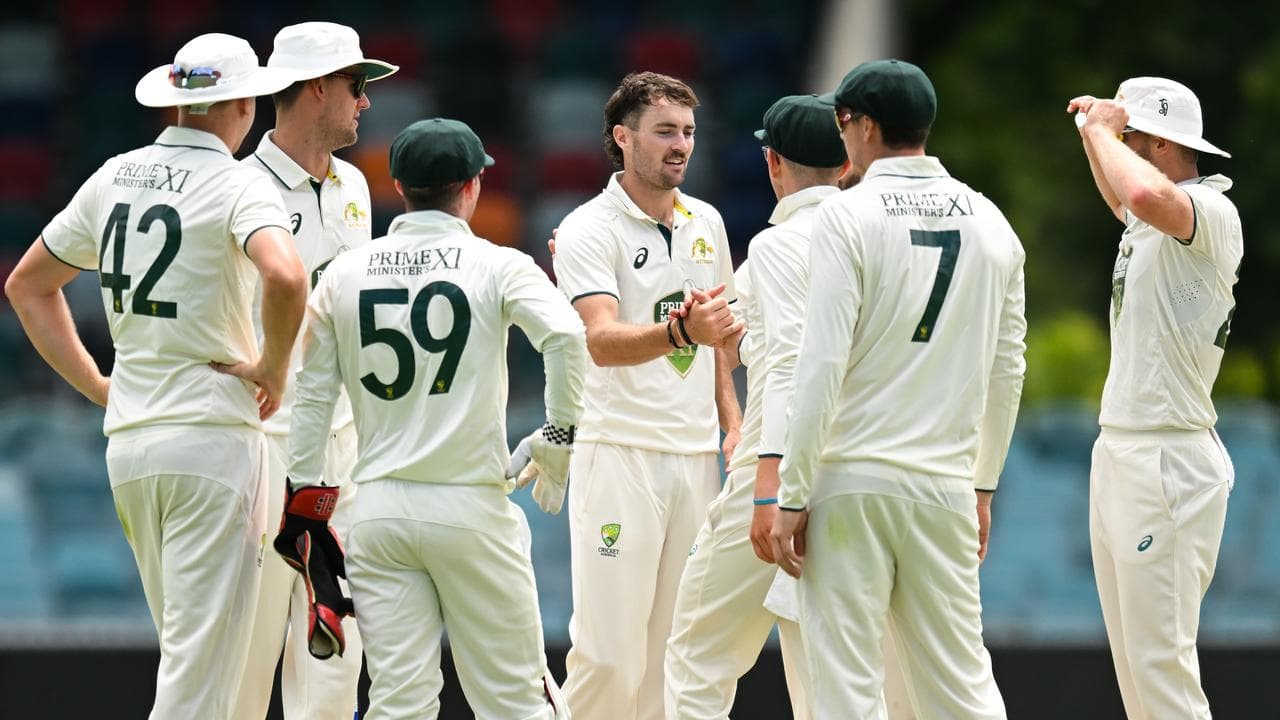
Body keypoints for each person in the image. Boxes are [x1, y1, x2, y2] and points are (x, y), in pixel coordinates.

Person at [3, 34, 306, 718]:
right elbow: (287, 277)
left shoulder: (115, 174)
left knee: (192, 663)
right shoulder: (240, 183)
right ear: (244, 103)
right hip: (211, 441)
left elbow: (28, 285)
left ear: (178, 102)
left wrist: (97, 385)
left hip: (132, 446)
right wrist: (273, 368)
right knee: (199, 681)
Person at [285, 117, 584, 719]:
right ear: (472, 187)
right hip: (469, 505)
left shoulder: (344, 273)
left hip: (379, 512)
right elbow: (567, 337)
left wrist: (305, 506)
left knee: (399, 703)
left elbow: (312, 396)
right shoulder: (498, 263)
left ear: (397, 185)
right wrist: (557, 436)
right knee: (515, 702)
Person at [769, 59, 1026, 719]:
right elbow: (1007, 370)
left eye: (843, 120)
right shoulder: (994, 223)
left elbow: (820, 363)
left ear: (863, 125)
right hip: (944, 486)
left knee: (848, 693)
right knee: (964, 693)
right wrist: (983, 486)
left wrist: (791, 492)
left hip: (852, 483)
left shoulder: (845, 216)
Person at [551, 70, 743, 720]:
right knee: (609, 657)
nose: (680, 145)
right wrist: (682, 331)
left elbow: (720, 339)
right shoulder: (587, 227)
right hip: (619, 453)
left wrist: (731, 420)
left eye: (687, 131)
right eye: (664, 131)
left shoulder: (706, 221)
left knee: (672, 658)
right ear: (623, 137)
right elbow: (601, 340)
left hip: (694, 459)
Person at [663, 93, 847, 719]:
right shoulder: (876, 235)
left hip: (776, 468)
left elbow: (790, 364)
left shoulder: (777, 244)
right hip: (855, 466)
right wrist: (725, 328)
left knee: (697, 654)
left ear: (773, 162)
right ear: (846, 162)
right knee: (827, 668)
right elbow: (760, 339)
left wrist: (770, 487)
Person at [233, 22, 398, 720]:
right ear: (320, 88)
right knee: (243, 658)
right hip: (262, 440)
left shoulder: (355, 184)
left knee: (334, 656)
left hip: (341, 444)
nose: (366, 102)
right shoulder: (240, 187)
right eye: (357, 86)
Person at [1068, 77, 1241, 719]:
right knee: (1136, 670)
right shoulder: (1149, 223)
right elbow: (1124, 196)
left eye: (1130, 136)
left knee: (1161, 670)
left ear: (1161, 144)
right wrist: (1095, 136)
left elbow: (1140, 191)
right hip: (1124, 452)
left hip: (1169, 461)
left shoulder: (1210, 210)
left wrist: (1099, 131)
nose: (1121, 146)